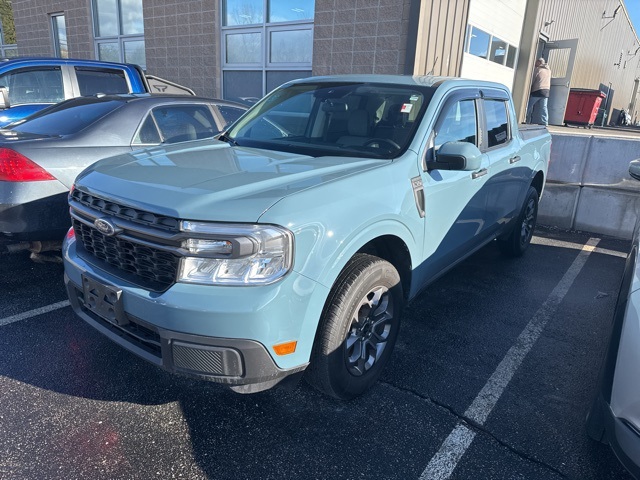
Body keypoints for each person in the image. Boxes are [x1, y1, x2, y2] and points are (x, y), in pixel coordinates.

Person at [526, 57, 551, 125]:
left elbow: (532, 79)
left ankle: (524, 118)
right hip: (546, 91)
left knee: (528, 105)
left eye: (536, 62)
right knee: (543, 107)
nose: (535, 63)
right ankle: (545, 122)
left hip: (538, 90)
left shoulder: (538, 69)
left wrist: (529, 87)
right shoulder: (548, 70)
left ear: (539, 62)